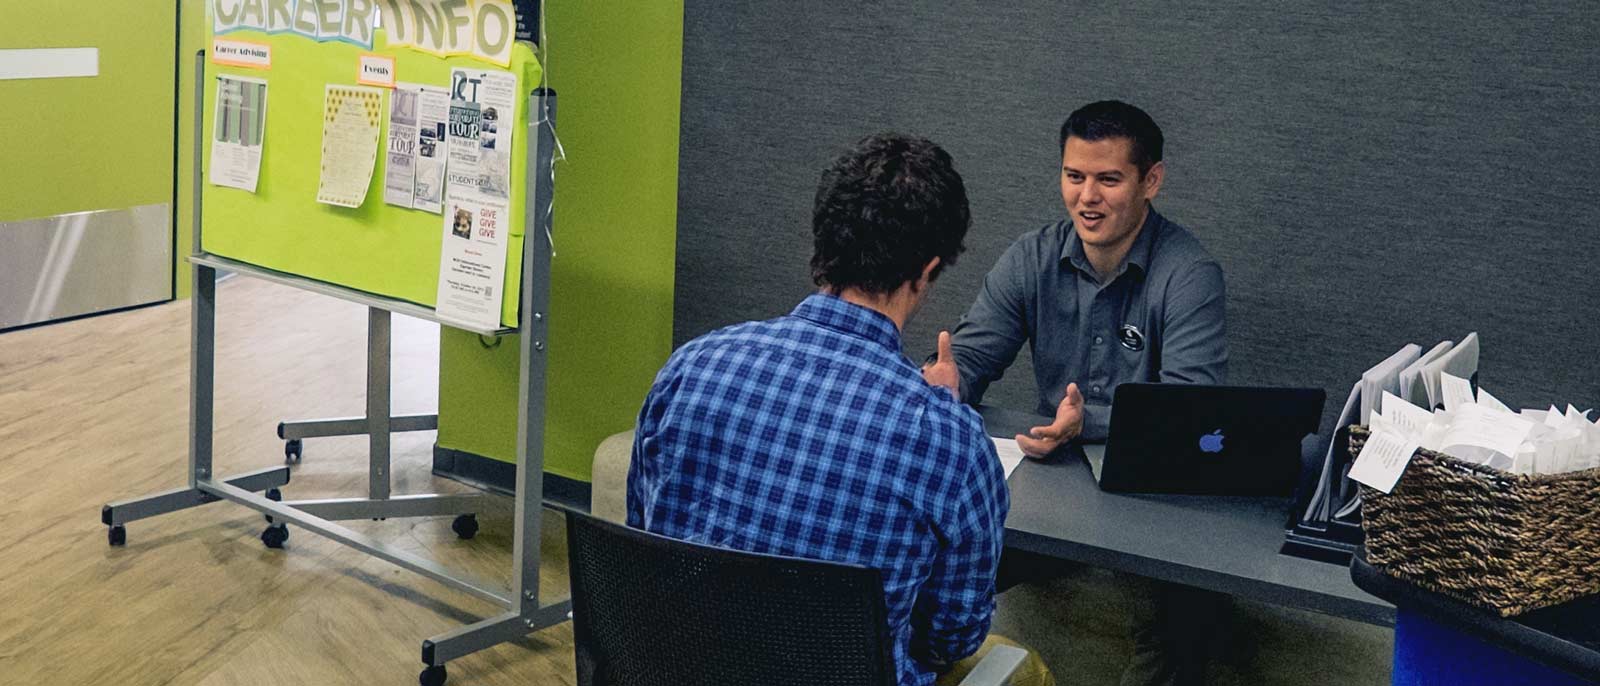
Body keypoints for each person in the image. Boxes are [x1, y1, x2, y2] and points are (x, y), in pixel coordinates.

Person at [629, 133, 1053, 686]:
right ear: (926, 271)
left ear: (823, 239)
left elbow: (643, 542)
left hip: (676, 670)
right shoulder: (948, 439)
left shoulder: (691, 366)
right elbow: (950, 638)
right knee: (1023, 668)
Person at [923, 101, 1228, 686]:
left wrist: (1086, 422)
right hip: (1052, 483)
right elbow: (972, 356)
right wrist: (947, 382)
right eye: (1074, 176)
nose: (1088, 197)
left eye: (1109, 180)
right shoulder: (1032, 256)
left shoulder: (1189, 274)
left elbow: (1192, 409)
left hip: (1155, 494)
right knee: (941, 555)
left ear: (1151, 181)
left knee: (1188, 609)